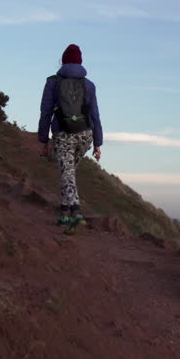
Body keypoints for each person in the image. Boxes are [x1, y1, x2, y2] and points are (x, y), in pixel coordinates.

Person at [37, 44, 103, 226]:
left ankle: (75, 210)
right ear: (80, 62)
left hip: (63, 133)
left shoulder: (53, 82)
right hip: (85, 134)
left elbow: (46, 111)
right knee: (69, 171)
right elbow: (95, 115)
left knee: (67, 172)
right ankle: (64, 211)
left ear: (63, 61)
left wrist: (43, 139)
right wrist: (97, 143)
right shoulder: (89, 85)